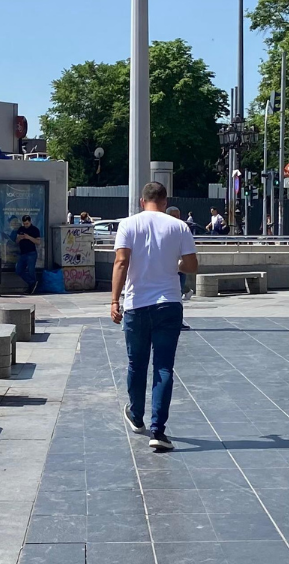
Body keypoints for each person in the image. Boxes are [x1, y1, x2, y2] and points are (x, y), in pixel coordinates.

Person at [111, 182, 198, 451]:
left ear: (141, 201)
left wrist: (115, 300)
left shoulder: (128, 224)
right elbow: (192, 265)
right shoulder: (178, 226)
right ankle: (158, 431)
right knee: (163, 367)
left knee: (136, 364)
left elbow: (121, 262)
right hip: (169, 304)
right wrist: (175, 263)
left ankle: (137, 416)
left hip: (137, 305)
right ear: (164, 200)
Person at [166, 207, 196, 326]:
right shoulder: (163, 230)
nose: (177, 219)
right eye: (174, 216)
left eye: (178, 216)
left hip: (180, 267)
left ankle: (178, 319)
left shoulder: (181, 229)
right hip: (167, 268)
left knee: (178, 293)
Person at [14, 215, 41, 294]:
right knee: (18, 270)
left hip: (31, 253)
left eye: (27, 223)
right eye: (24, 223)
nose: (26, 225)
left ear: (30, 222)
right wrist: (20, 238)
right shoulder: (21, 229)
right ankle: (31, 282)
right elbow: (16, 241)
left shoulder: (35, 230)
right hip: (23, 253)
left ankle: (32, 287)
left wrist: (28, 237)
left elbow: (38, 242)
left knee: (31, 270)